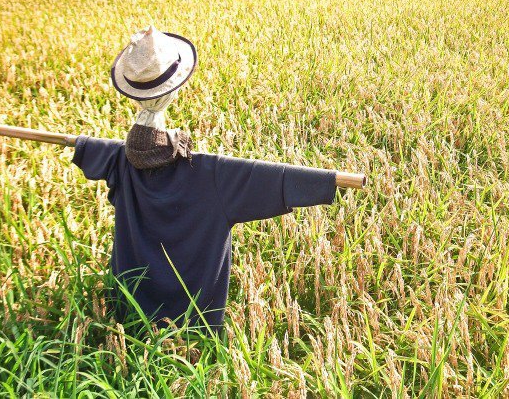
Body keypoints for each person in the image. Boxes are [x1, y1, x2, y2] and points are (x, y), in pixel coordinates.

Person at [72, 26, 337, 332]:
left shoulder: (117, 160)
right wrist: (328, 181)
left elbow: (88, 150)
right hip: (193, 325)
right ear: (174, 88)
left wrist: (82, 145)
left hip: (128, 316)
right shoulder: (214, 175)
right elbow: (276, 180)